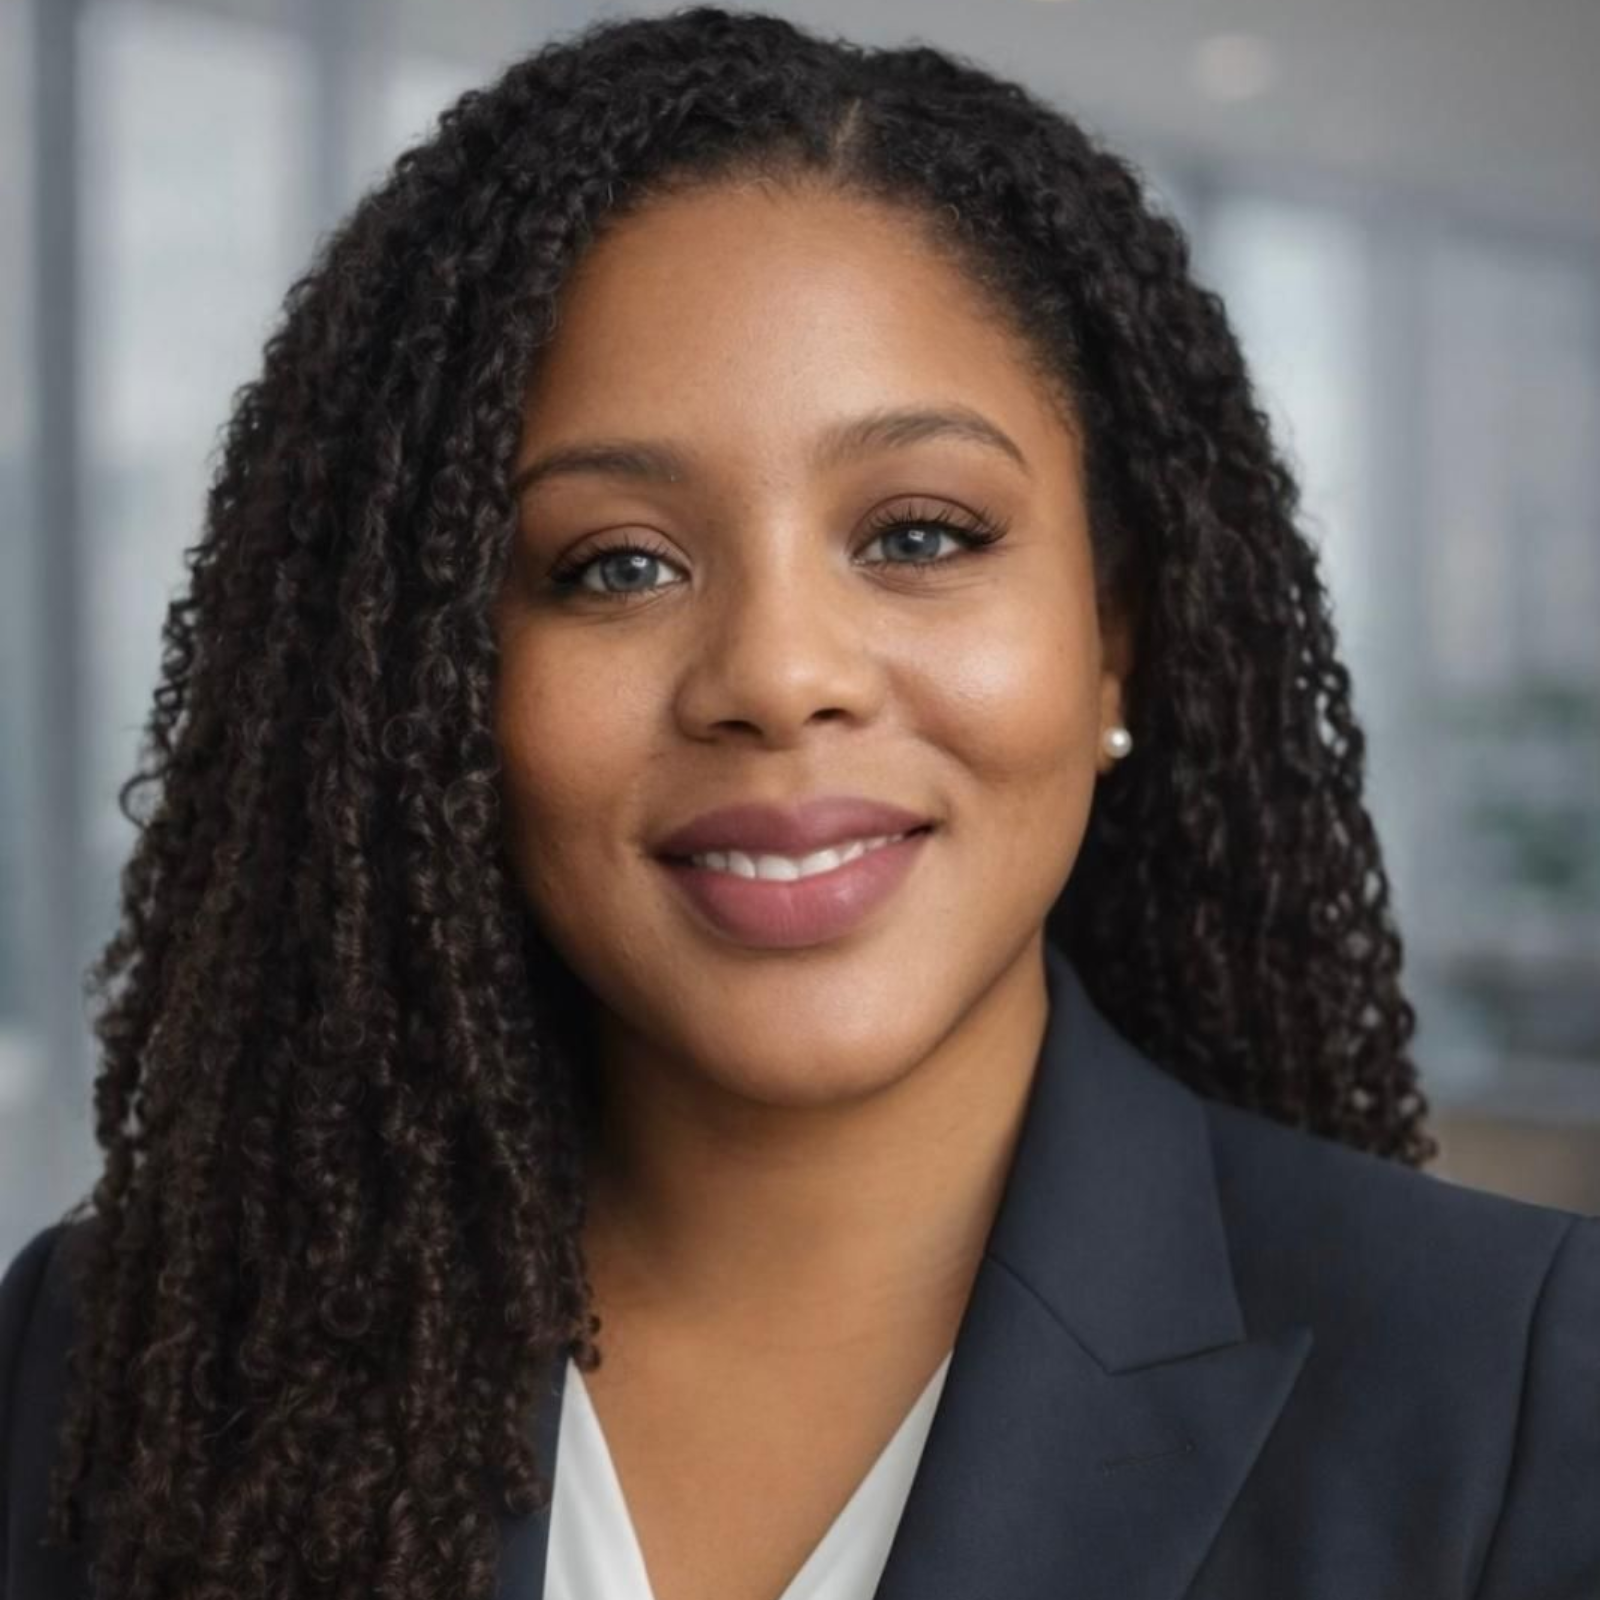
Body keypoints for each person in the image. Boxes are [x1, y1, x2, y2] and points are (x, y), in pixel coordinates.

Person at [2, 7, 1597, 1598]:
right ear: (436, 692)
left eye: (918, 534)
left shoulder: (1516, 1389)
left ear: (1114, 640)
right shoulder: (99, 1366)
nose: (777, 673)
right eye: (613, 565)